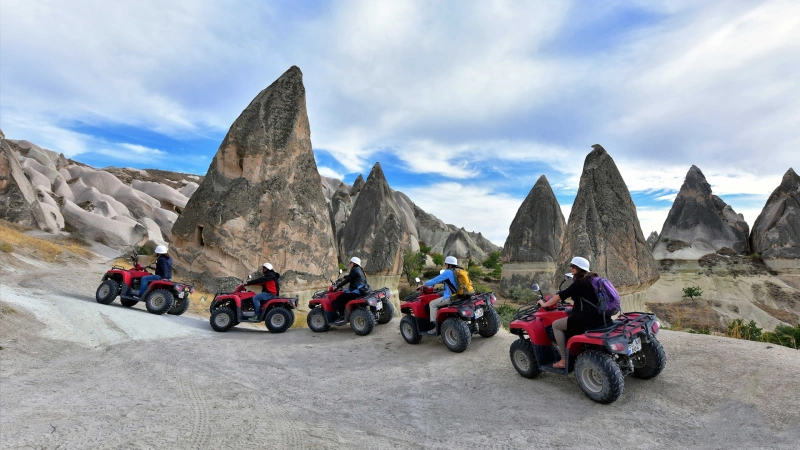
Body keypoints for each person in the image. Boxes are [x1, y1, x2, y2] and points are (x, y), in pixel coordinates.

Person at [537, 256, 611, 369]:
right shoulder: (593, 279)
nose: (571, 268)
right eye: (571, 266)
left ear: (580, 268)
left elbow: (560, 296)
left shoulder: (579, 283)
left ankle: (563, 360)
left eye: (574, 266)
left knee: (556, 325)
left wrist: (544, 304)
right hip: (602, 317)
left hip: (587, 320)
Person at [418, 256, 461, 335]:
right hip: (461, 295)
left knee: (432, 304)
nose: (445, 265)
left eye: (446, 264)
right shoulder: (459, 271)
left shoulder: (447, 272)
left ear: (449, 265)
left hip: (452, 297)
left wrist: (424, 284)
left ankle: (434, 328)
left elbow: (434, 280)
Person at [332, 257, 368, 325]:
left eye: (350, 262)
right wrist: (343, 277)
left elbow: (347, 280)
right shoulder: (359, 269)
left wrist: (337, 286)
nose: (349, 264)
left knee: (338, 300)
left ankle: (342, 316)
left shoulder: (354, 269)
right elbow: (350, 277)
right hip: (361, 291)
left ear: (354, 263)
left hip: (355, 292)